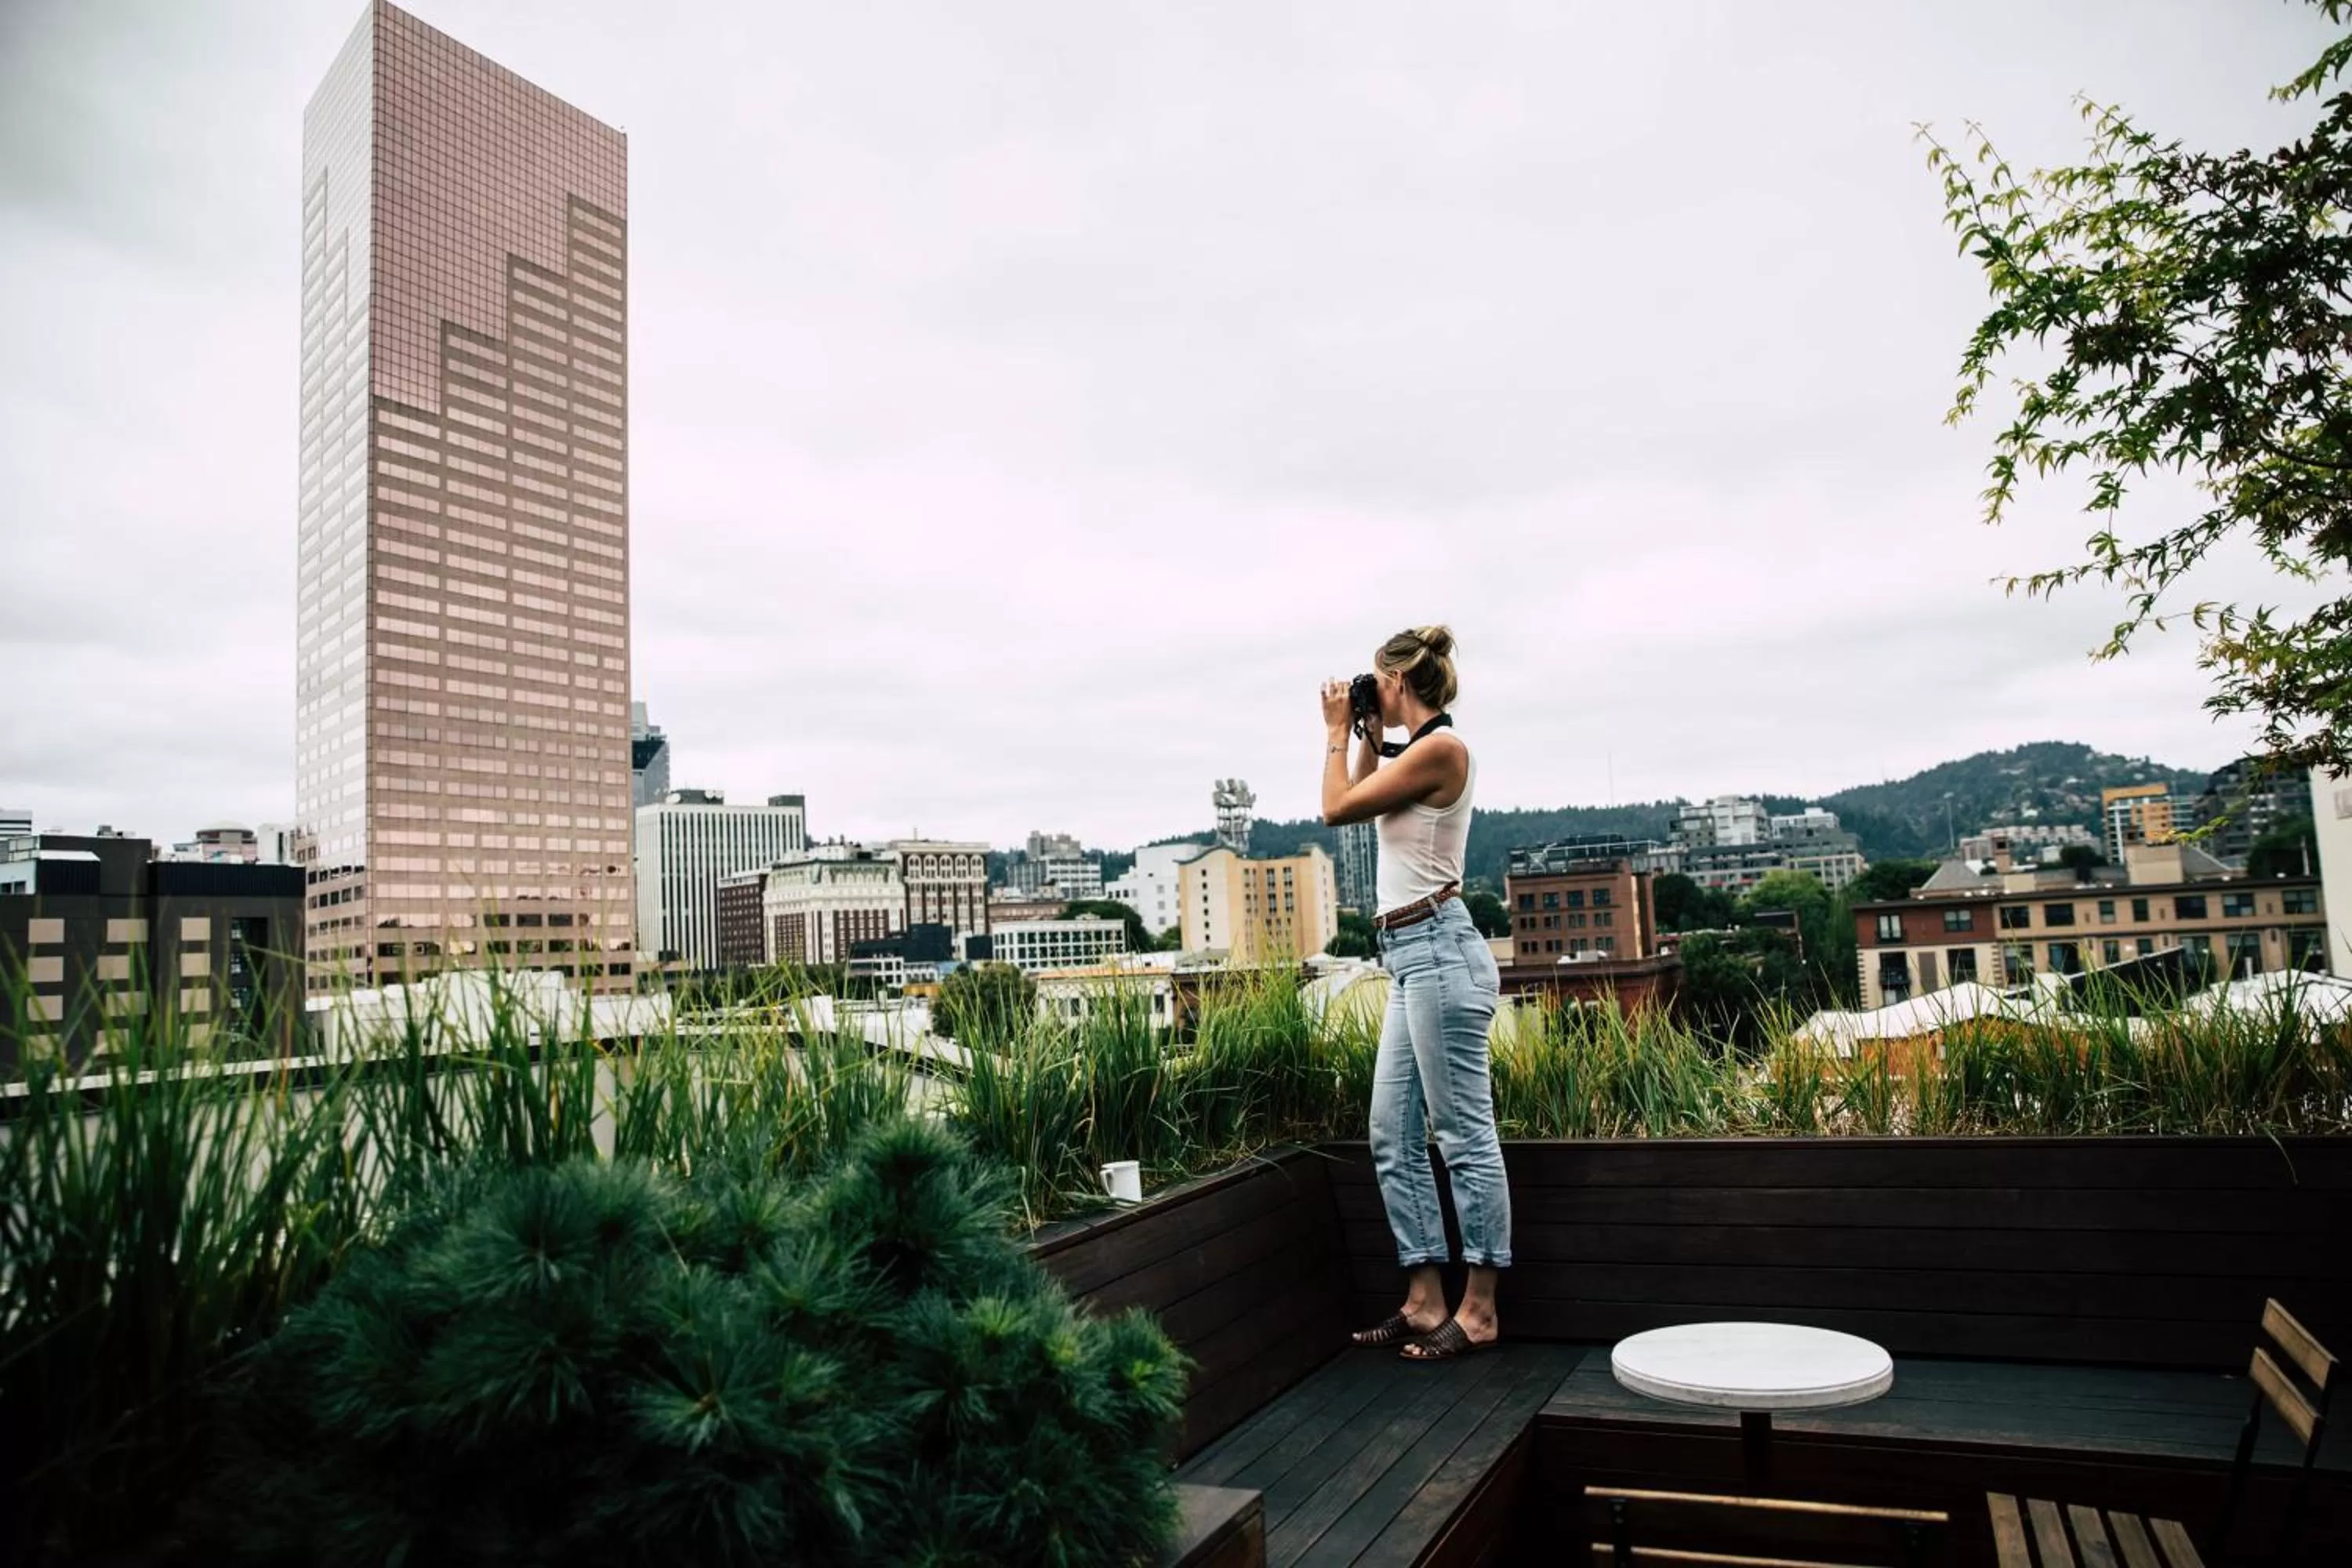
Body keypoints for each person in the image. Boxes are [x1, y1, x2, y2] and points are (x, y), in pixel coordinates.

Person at [1319, 625, 1509, 1361]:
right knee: (1391, 1133)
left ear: (1401, 682)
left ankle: (1482, 1308)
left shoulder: (1443, 750)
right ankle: (1426, 1299)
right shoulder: (1411, 751)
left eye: (1377, 683)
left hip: (1440, 949)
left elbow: (1337, 807)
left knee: (1463, 1134)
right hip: (1408, 954)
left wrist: (1338, 733)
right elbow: (1364, 795)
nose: (1372, 693)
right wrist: (1365, 730)